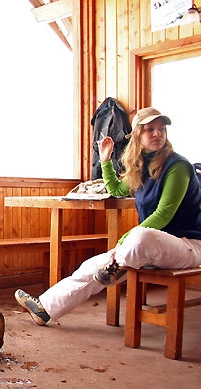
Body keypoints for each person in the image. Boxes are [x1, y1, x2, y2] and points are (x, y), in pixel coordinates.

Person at [14, 106, 201, 326]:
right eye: (150, 129)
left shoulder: (178, 166)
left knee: (141, 238)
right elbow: (117, 190)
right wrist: (105, 160)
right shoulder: (141, 166)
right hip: (153, 248)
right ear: (138, 136)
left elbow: (163, 214)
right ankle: (46, 308)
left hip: (190, 246)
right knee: (94, 265)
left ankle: (118, 263)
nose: (157, 133)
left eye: (161, 129)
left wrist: (122, 242)